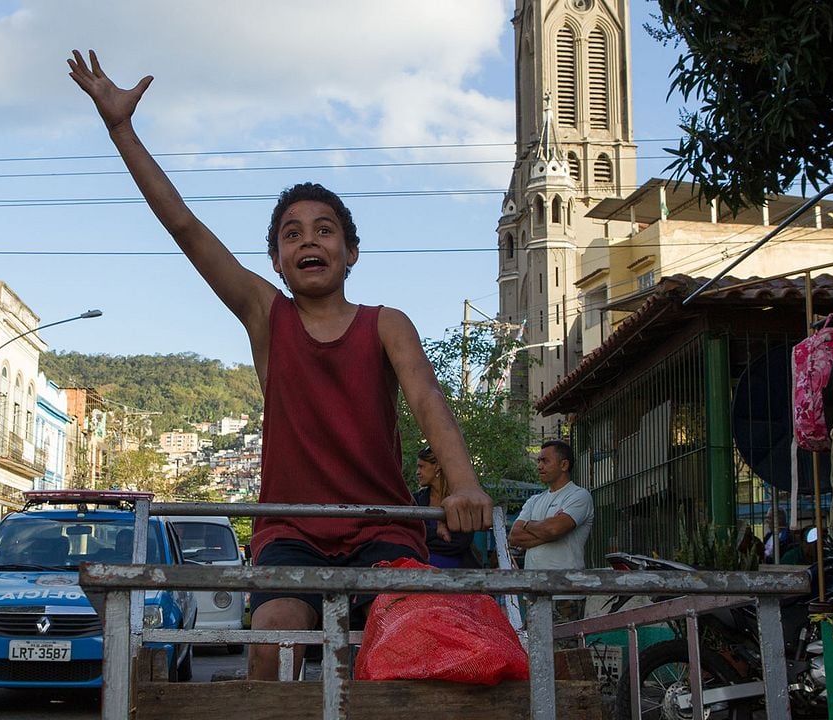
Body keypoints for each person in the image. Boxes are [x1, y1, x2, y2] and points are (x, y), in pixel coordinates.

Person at [67, 50, 494, 681]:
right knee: (275, 641)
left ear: (351, 252)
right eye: (292, 234)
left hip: (384, 528)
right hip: (291, 529)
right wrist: (121, 130)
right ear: (275, 260)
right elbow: (184, 226)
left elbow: (430, 401)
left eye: (325, 230)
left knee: (406, 646)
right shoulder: (268, 316)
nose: (309, 241)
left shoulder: (387, 323)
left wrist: (463, 484)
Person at [508, 440, 593, 622]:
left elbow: (554, 529)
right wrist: (548, 530)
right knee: (533, 649)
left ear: (564, 465)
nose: (539, 466)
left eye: (545, 461)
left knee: (562, 649)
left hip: (565, 592)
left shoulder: (579, 496)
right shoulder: (535, 500)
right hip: (535, 592)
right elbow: (514, 536)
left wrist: (530, 525)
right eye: (538, 461)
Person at [412, 446, 480, 568]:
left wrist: (425, 537)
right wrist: (437, 534)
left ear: (437, 466)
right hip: (421, 571)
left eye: (421, 466)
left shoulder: (461, 500)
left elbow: (459, 543)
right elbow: (410, 535)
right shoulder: (415, 500)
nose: (417, 472)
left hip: (459, 574)